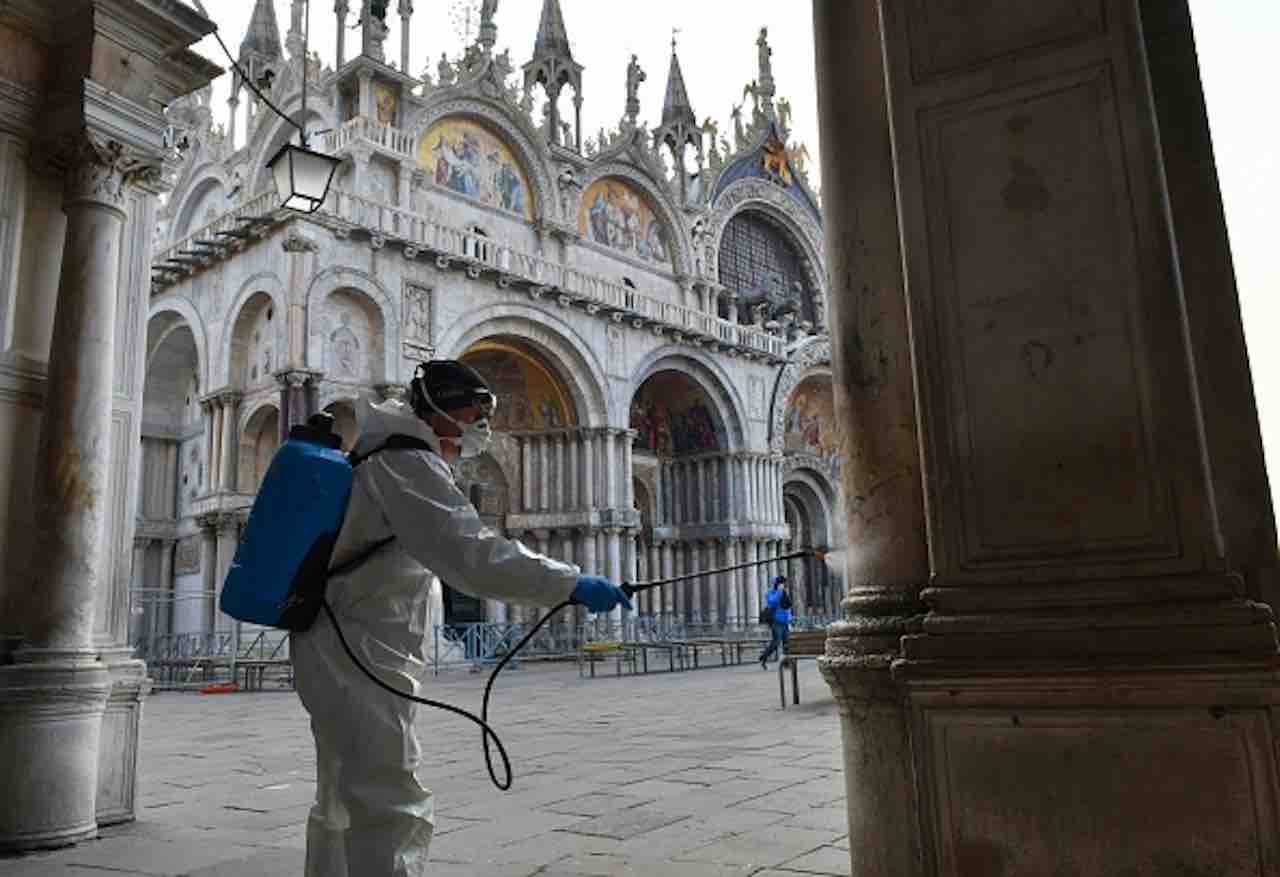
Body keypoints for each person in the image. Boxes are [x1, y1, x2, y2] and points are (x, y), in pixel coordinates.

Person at [291, 360, 631, 877]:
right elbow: (472, 554)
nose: (482, 428)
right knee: (389, 795)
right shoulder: (405, 462)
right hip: (359, 647)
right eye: (474, 414)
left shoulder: (386, 454)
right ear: (440, 409)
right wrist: (570, 582)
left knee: (342, 791)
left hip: (339, 639)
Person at [759, 575, 793, 669]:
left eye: (784, 583)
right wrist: (779, 591)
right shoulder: (771, 593)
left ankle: (786, 663)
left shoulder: (784, 592)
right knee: (776, 642)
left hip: (785, 621)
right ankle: (764, 657)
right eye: (782, 583)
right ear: (777, 584)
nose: (784, 585)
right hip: (776, 621)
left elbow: (787, 607)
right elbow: (771, 602)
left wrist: (789, 620)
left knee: (787, 643)